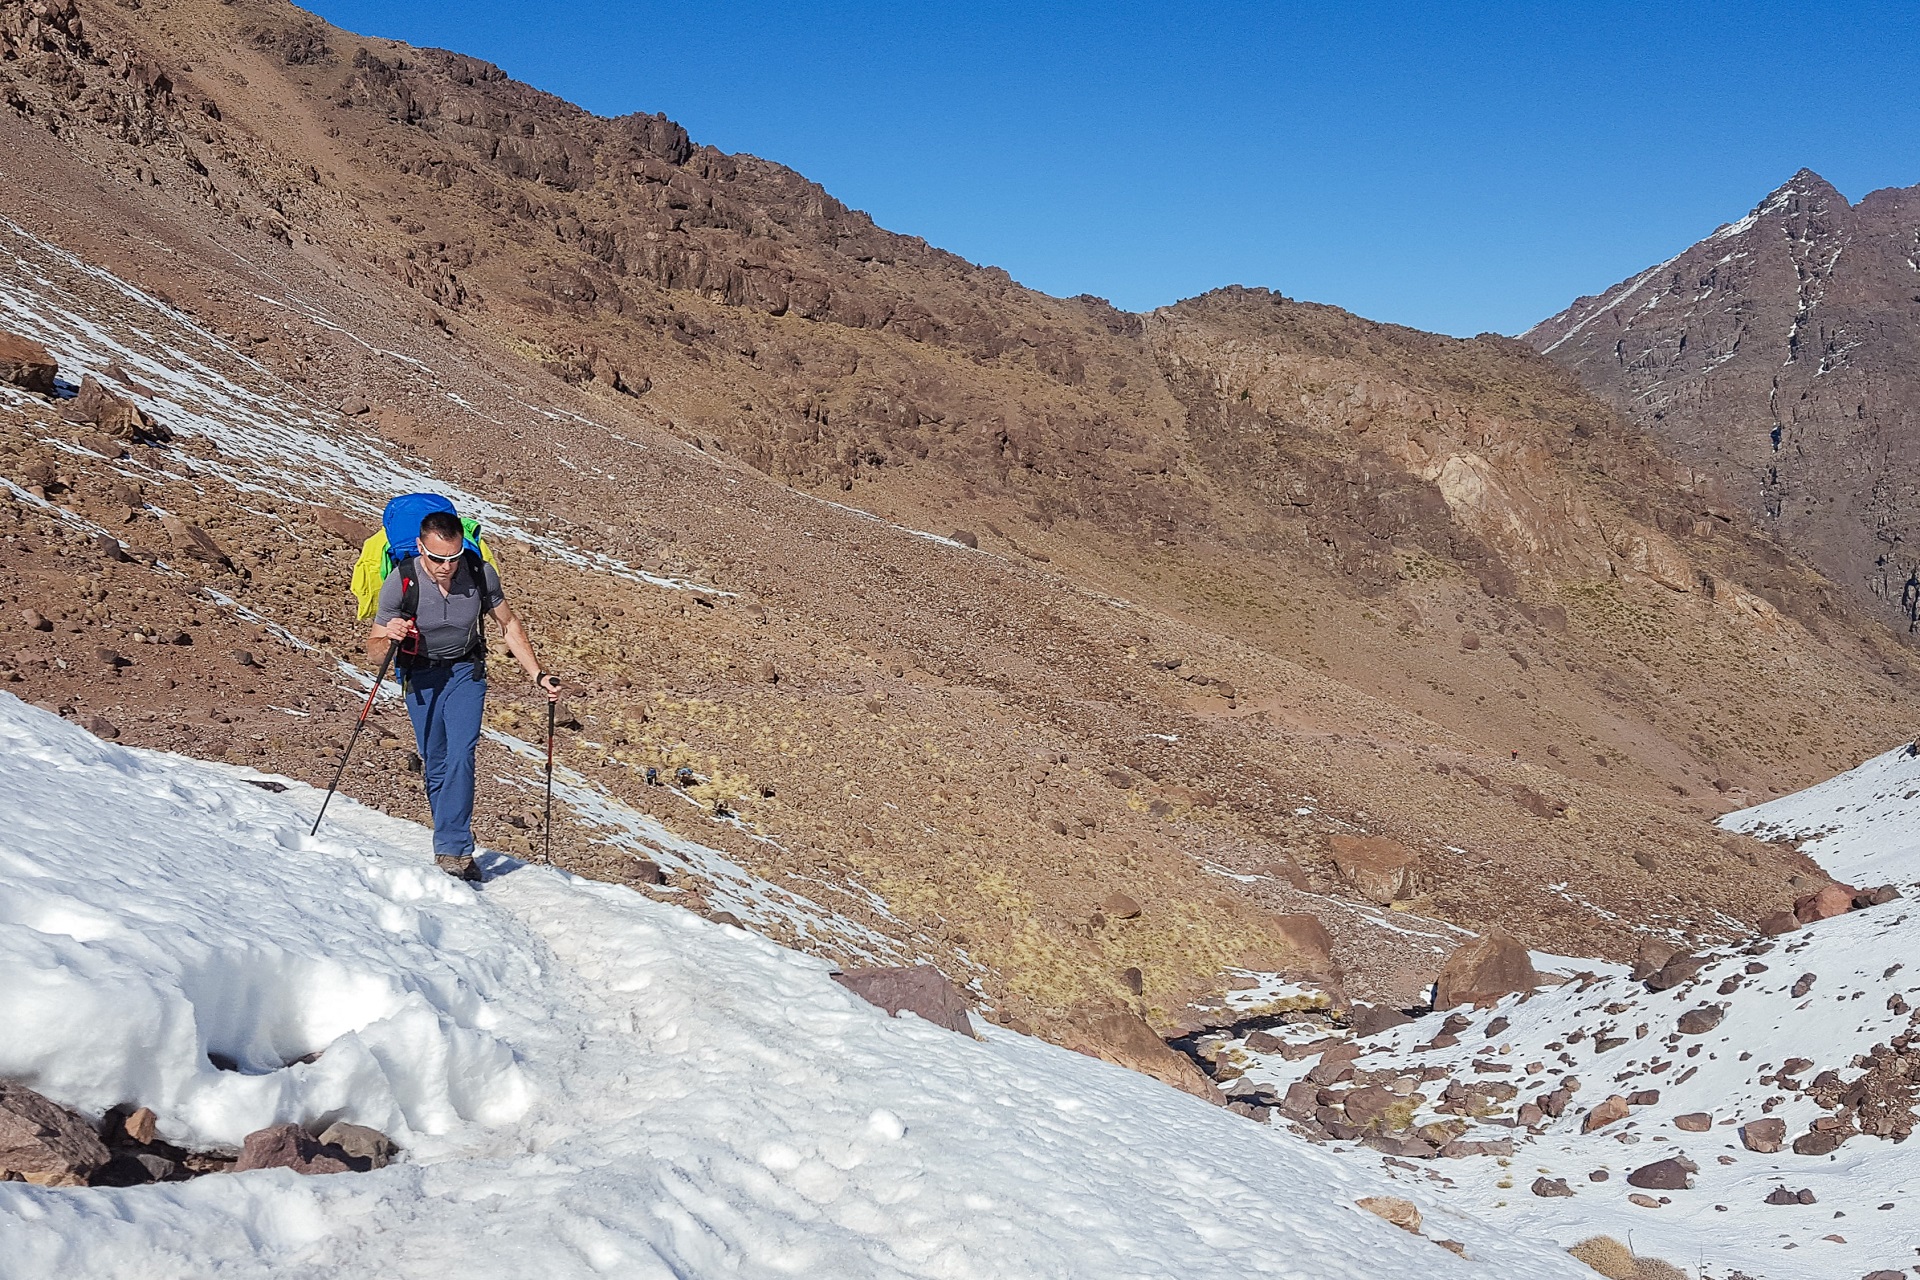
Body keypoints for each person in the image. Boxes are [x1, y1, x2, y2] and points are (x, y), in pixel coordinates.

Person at [368, 510, 560, 879]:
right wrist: (389, 636)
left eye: (453, 557)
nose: (446, 567)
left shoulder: (478, 572)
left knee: (461, 754)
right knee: (435, 760)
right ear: (420, 547)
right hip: (420, 675)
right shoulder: (401, 581)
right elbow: (374, 651)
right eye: (437, 558)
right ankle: (452, 841)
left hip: (464, 672)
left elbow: (508, 624)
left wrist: (538, 674)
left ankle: (453, 849)